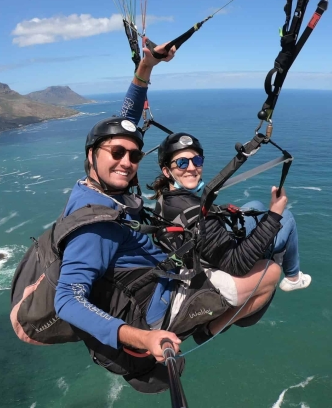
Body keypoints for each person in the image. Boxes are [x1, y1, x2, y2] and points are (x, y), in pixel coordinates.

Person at [53, 43, 280, 393]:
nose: (126, 161)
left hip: (159, 276)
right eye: (116, 153)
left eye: (133, 154)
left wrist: (145, 67)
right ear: (91, 155)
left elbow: (124, 124)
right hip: (158, 307)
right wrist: (143, 338)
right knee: (271, 273)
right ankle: (205, 329)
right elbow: (67, 299)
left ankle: (209, 321)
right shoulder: (93, 223)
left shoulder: (100, 186)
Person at [148, 132, 312, 296]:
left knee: (254, 205)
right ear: (167, 171)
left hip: (200, 248)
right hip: (217, 263)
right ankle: (293, 277)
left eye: (197, 161)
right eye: (182, 163)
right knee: (286, 217)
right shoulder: (192, 213)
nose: (191, 168)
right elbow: (236, 264)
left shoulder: (165, 200)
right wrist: (274, 215)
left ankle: (285, 262)